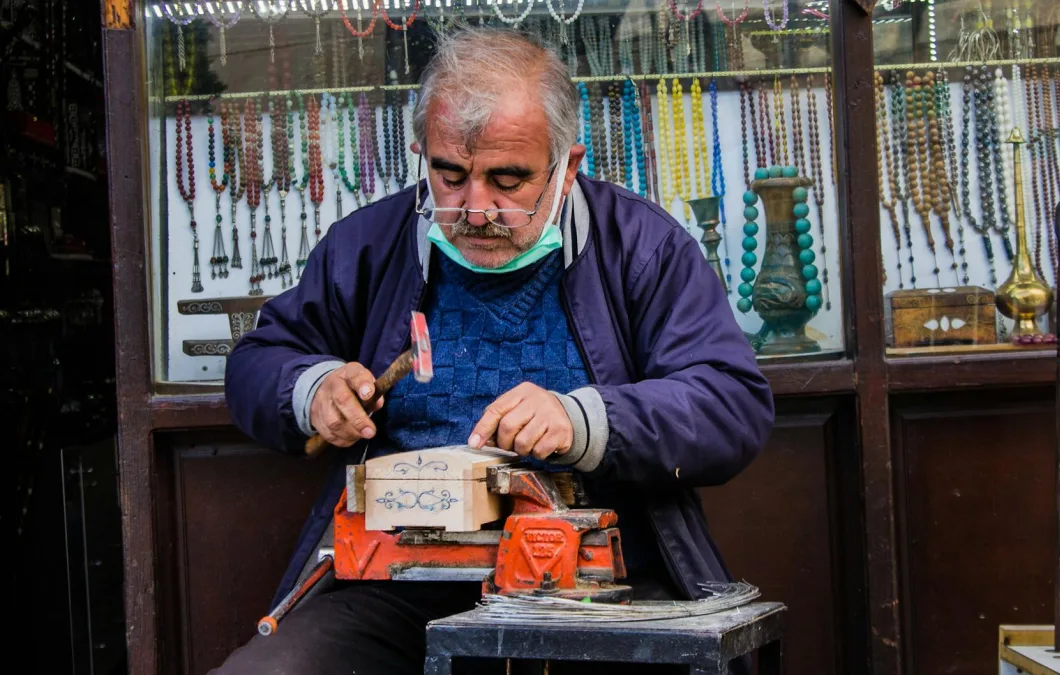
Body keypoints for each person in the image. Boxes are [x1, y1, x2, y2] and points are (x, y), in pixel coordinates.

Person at [215, 26, 773, 675]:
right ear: (423, 153)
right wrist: (310, 389)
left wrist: (586, 419)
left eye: (508, 179)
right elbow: (258, 360)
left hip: (597, 587)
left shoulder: (644, 249)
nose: (474, 209)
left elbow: (732, 402)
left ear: (569, 166)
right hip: (400, 586)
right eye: (450, 175)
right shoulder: (367, 246)